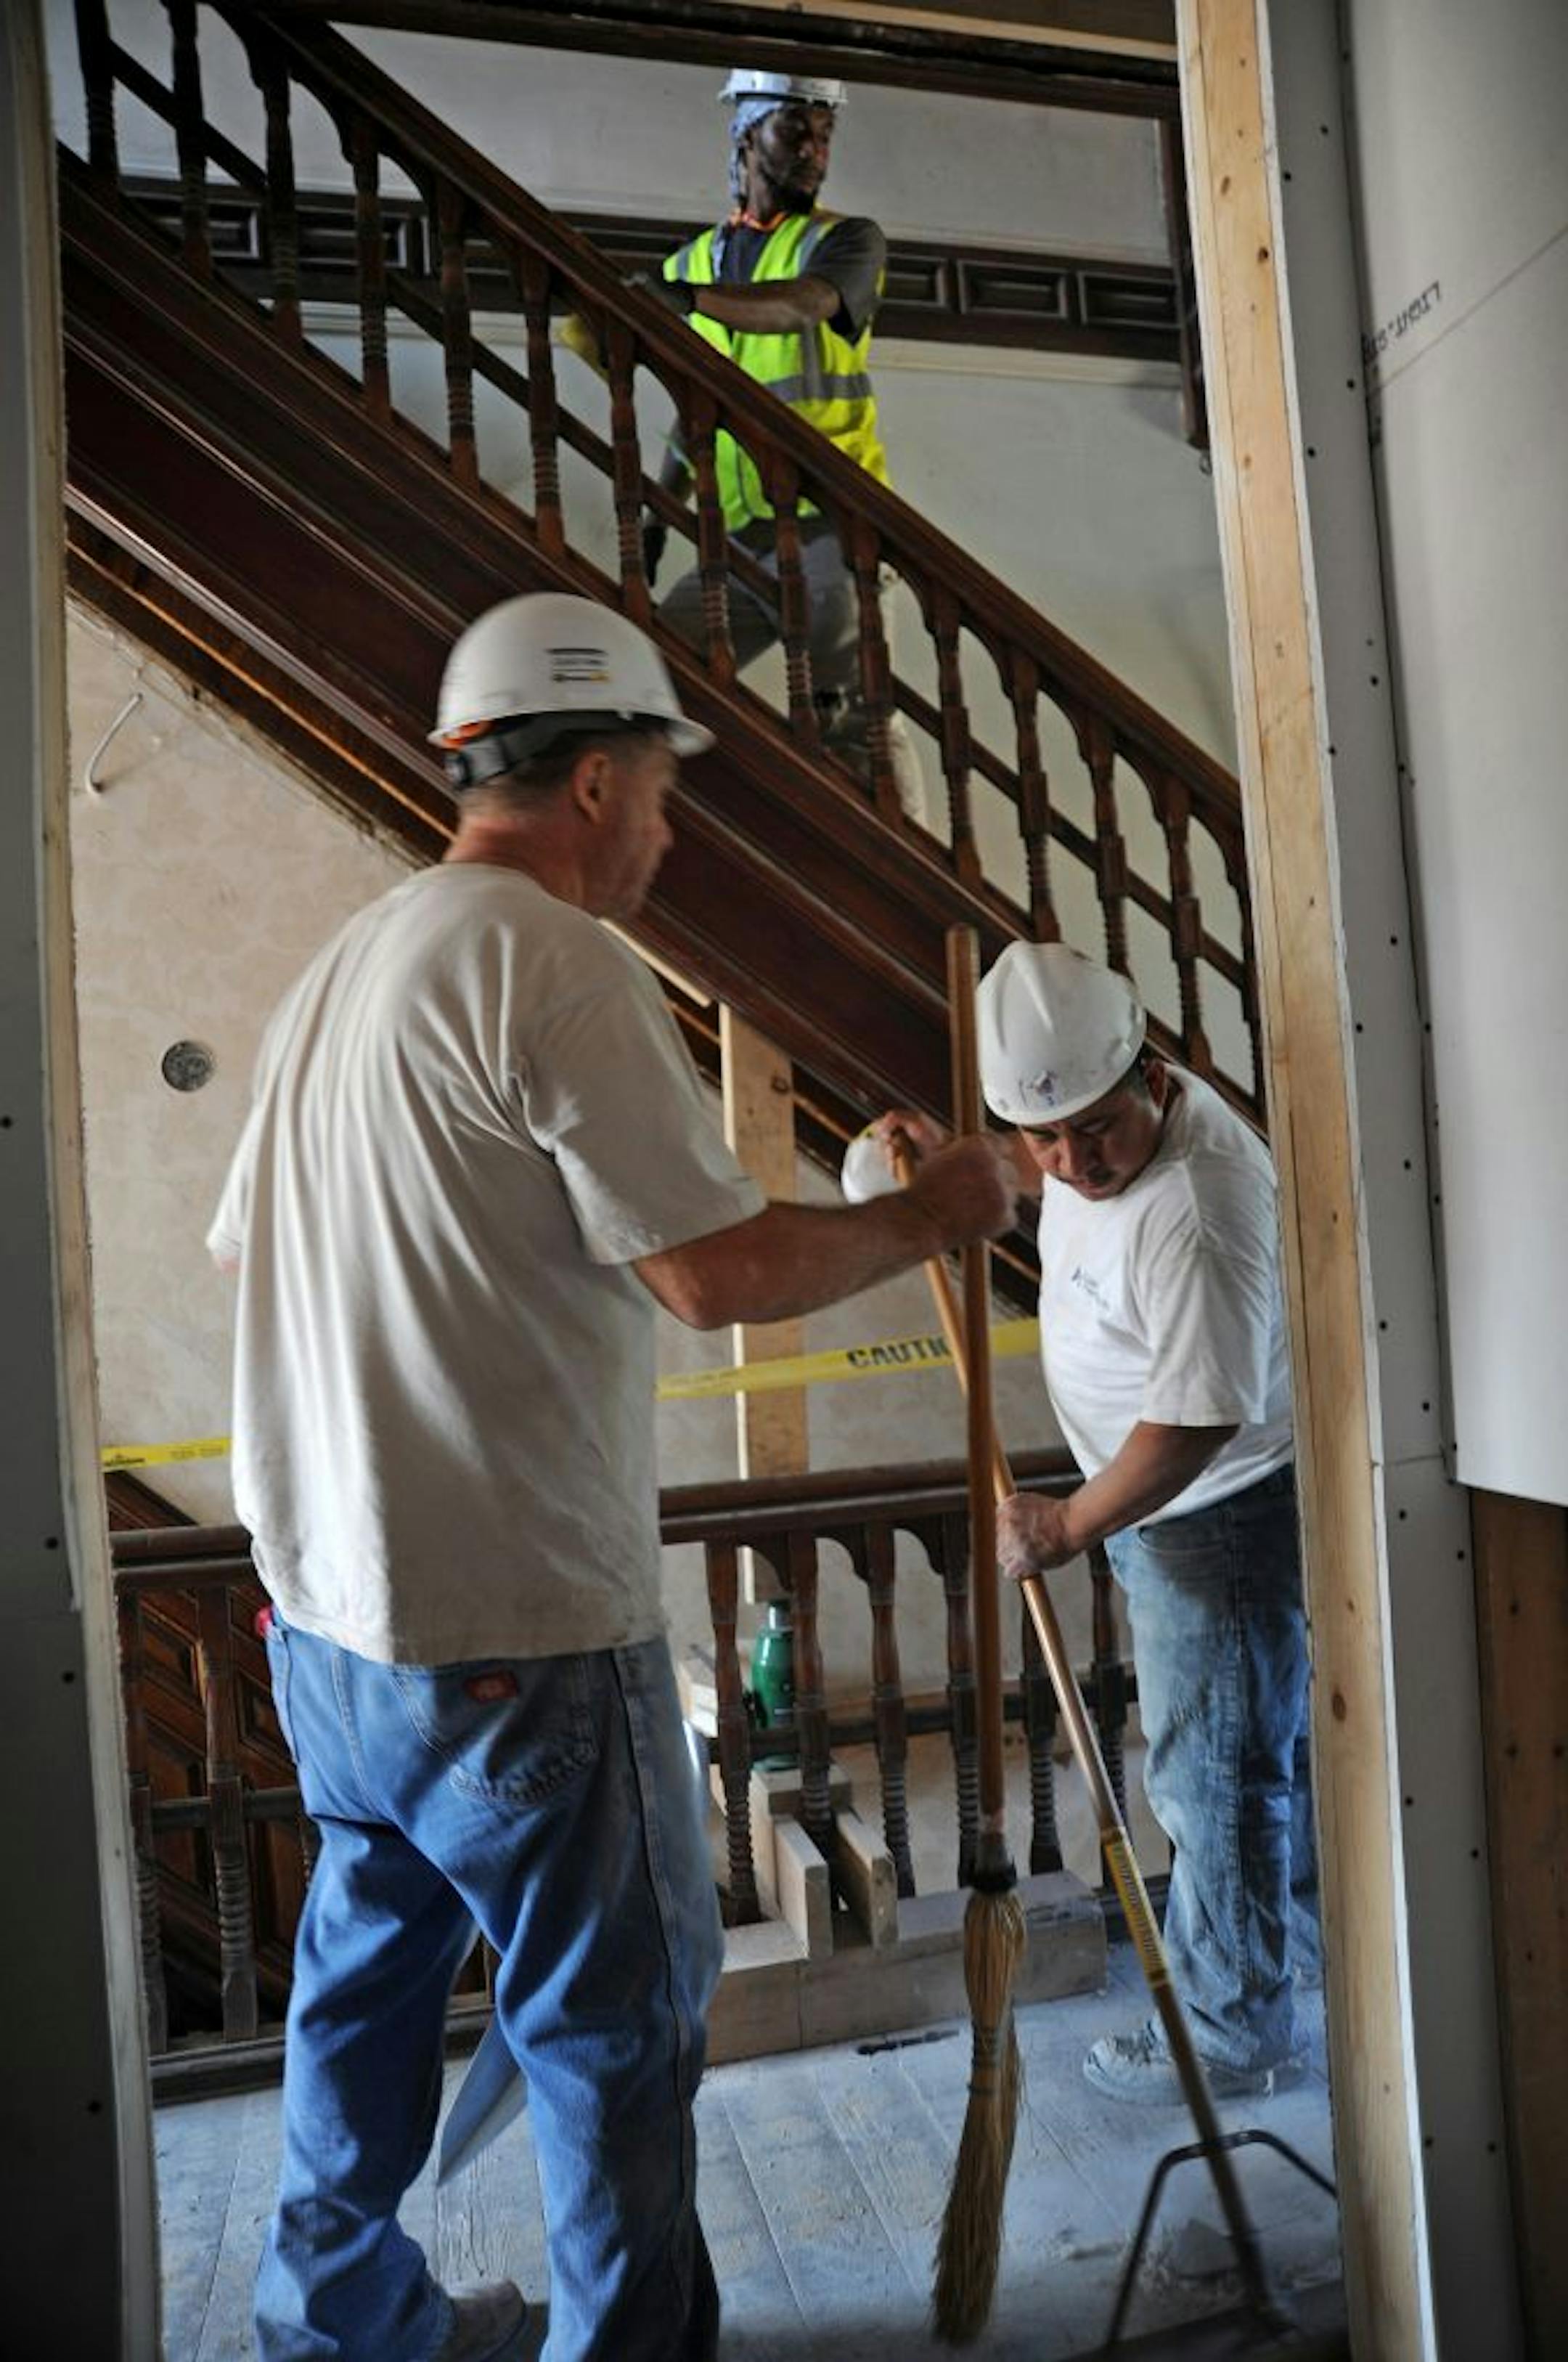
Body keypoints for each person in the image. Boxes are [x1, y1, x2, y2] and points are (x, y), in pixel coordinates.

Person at [208, 589, 1013, 2362]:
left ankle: (335, 2323)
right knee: (615, 2033)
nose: (663, 825)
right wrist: (926, 1215)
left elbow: (254, 1265)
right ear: (586, 782)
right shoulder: (549, 954)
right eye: (658, 787)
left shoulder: (348, 968)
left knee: (360, 1996)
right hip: (515, 1636)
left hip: (329, 1630)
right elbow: (709, 1272)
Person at [878, 941, 1318, 2106]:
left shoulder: (1200, 1204)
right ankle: (1281, 1972)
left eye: (1093, 1131)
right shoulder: (1093, 1163)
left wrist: (1067, 1524)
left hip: (1218, 1517)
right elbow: (1078, 1236)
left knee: (1214, 1779)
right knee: (1234, 1767)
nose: (1071, 1162)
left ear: (1154, 1076)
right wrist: (969, 1179)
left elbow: (1194, 1423)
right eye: (1043, 1138)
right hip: (1168, 1512)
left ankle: (1237, 2038)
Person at [639, 68, 925, 819]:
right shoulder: (692, 263)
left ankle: (920, 876)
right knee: (646, 671)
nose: (814, 150)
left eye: (825, 134)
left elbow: (803, 306)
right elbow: (688, 411)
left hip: (836, 524)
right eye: (794, 130)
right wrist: (655, 512)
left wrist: (689, 302)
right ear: (746, 134)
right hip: (738, 539)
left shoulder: (845, 241)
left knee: (856, 718)